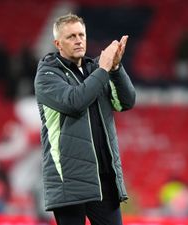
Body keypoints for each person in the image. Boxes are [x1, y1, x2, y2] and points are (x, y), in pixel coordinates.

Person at [34, 13, 136, 225]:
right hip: (69, 181)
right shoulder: (47, 75)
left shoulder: (95, 70)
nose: (79, 40)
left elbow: (125, 102)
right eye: (71, 36)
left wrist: (116, 68)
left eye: (82, 34)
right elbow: (74, 102)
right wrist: (104, 69)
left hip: (103, 179)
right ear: (58, 43)